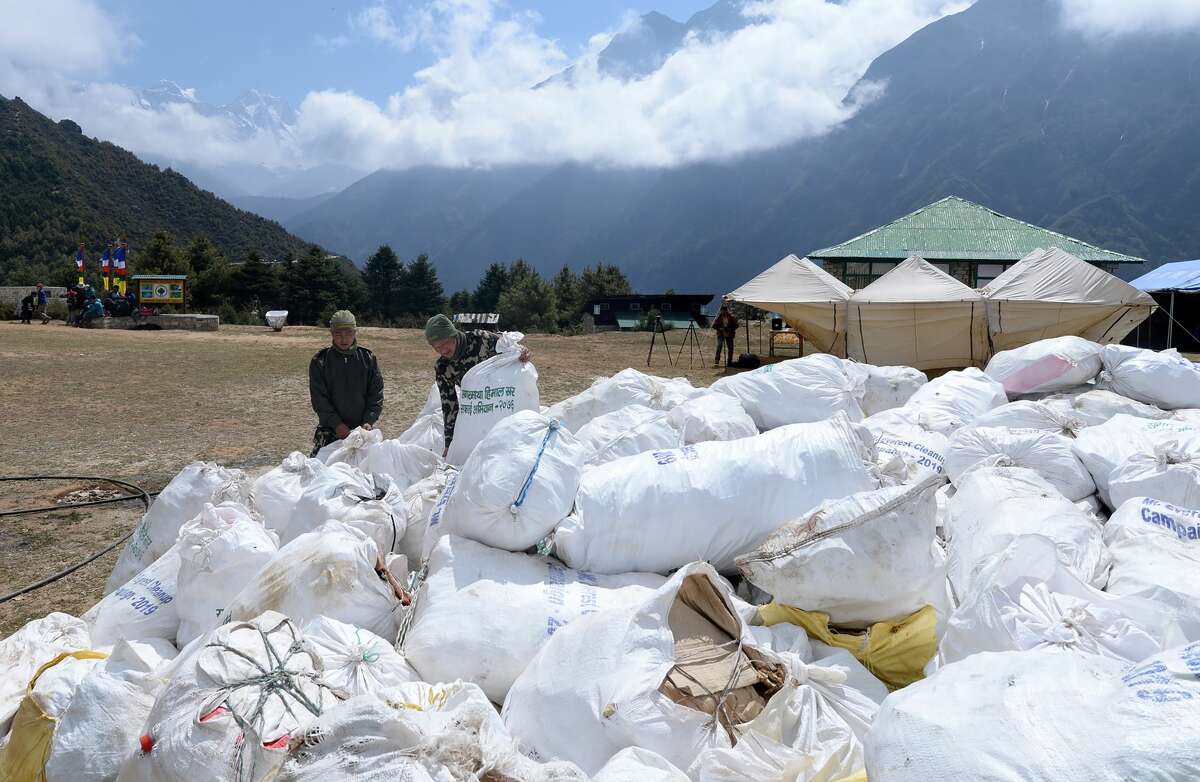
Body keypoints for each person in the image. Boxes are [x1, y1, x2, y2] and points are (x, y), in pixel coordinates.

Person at [425, 314, 531, 458]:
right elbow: (449, 406)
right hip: (478, 406)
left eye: (445, 344)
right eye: (437, 348)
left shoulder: (481, 339)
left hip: (501, 397)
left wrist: (521, 353)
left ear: (453, 334)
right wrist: (450, 443)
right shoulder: (443, 367)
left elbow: (508, 346)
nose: (442, 350)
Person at [308, 310, 384, 456]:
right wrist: (337, 424)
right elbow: (319, 399)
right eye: (338, 333)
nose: (344, 339)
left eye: (348, 333)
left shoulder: (367, 358)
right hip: (330, 430)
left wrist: (368, 421)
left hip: (362, 430)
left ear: (355, 332)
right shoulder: (320, 361)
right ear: (331, 333)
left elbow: (376, 393)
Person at [712, 303, 739, 367]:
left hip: (729, 334)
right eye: (722, 311)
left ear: (726, 311)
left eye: (724, 311)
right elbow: (714, 326)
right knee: (719, 345)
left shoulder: (731, 317)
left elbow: (736, 325)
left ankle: (729, 362)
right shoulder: (719, 317)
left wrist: (729, 329)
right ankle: (716, 361)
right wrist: (720, 328)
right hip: (721, 334)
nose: (723, 312)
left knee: (730, 348)